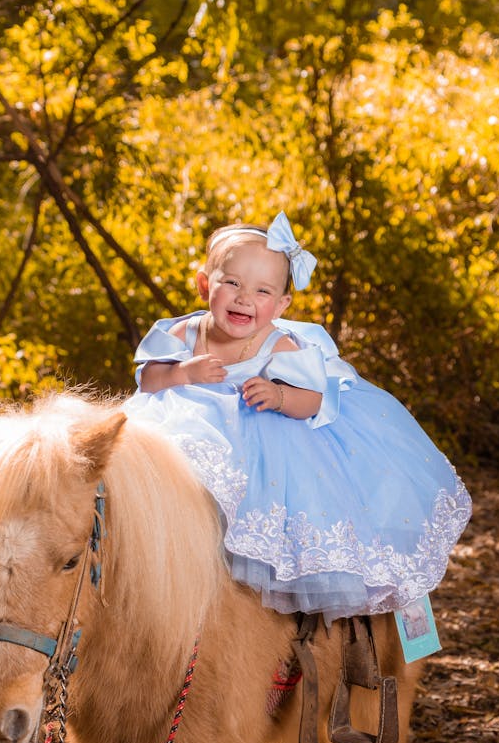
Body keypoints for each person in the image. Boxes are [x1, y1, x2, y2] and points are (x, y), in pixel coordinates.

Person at [123, 212, 472, 623]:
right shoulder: (183, 333)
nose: (244, 298)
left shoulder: (280, 344)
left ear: (282, 303)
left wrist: (279, 394)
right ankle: (165, 565)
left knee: (246, 504)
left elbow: (313, 401)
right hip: (184, 426)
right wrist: (182, 373)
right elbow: (148, 379)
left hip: (260, 443)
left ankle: (245, 594)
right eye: (231, 283)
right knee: (155, 479)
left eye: (262, 290)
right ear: (205, 285)